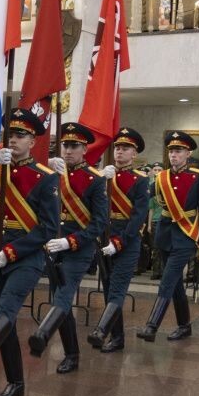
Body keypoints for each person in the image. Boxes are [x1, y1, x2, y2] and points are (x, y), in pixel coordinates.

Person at [0, 109, 58, 396]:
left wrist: (11, 253)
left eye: (20, 135)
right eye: (10, 135)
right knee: (2, 320)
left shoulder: (45, 178)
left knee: (6, 310)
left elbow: (48, 228)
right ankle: (16, 381)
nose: (14, 140)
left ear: (33, 141)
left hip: (26, 256)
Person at [25, 123, 107, 374]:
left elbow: (99, 223)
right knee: (60, 300)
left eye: (74, 146)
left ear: (84, 149)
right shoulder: (52, 174)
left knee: (63, 295)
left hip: (78, 248)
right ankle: (72, 353)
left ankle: (42, 334)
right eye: (65, 145)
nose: (68, 151)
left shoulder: (95, 179)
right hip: (53, 246)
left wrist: (70, 241)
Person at [137, 131, 199, 342]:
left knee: (167, 280)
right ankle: (184, 325)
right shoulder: (161, 177)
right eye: (171, 151)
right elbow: (144, 196)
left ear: (188, 153)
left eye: (178, 151)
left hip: (186, 235)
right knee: (176, 283)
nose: (174, 155)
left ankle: (152, 326)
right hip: (164, 234)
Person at [87, 128, 149, 353]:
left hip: (128, 240)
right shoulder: (103, 176)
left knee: (118, 289)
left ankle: (101, 331)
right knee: (108, 289)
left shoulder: (141, 180)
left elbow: (138, 217)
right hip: (104, 238)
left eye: (126, 149)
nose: (120, 152)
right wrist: (103, 180)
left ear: (134, 154)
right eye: (118, 148)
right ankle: (118, 336)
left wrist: (120, 243)